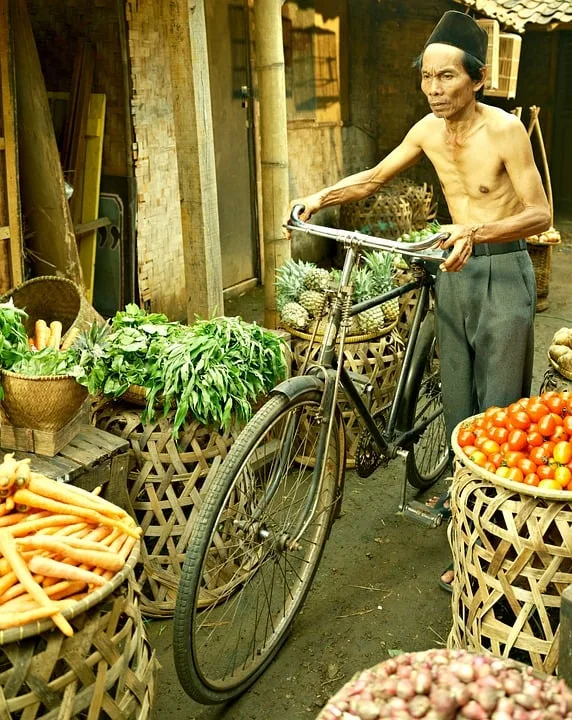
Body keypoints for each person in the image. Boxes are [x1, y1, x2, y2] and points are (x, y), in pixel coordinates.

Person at [287, 10, 551, 590]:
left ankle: (499, 559)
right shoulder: (427, 130)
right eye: (427, 77)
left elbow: (540, 214)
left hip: (501, 270)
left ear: (477, 79)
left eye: (446, 77)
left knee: (499, 416)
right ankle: (468, 534)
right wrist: (318, 196)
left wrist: (477, 232)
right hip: (450, 275)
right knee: (461, 412)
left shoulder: (505, 130)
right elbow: (375, 177)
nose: (433, 89)